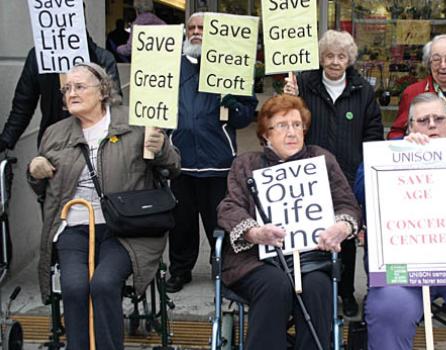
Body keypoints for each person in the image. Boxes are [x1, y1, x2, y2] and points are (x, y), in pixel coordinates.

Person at [27, 63, 180, 349]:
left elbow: (172, 168)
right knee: (74, 287)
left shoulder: (134, 123)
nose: (71, 93)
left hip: (125, 228)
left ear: (103, 91)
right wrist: (35, 171)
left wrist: (161, 149)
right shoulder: (54, 133)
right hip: (74, 226)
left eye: (79, 87)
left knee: (103, 284)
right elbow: (43, 187)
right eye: (67, 89)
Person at [355, 93, 446, 350]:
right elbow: (363, 190)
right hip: (406, 258)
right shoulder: (389, 153)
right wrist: (401, 154)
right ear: (410, 126)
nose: (432, 125)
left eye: (439, 119)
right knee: (388, 309)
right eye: (423, 120)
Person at [217, 94, 361, 349]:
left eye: (297, 125)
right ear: (266, 134)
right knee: (276, 284)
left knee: (317, 287)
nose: (292, 132)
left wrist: (342, 226)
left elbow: (347, 204)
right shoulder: (246, 164)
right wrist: (254, 232)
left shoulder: (321, 159)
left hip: (311, 258)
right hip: (256, 259)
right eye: (282, 126)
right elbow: (229, 207)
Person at [284, 29, 383, 316]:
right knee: (311, 234)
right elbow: (288, 122)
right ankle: (317, 291)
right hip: (309, 173)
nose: (335, 62)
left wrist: (367, 172)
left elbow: (373, 133)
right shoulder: (303, 83)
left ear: (350, 59)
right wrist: (290, 98)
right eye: (329, 55)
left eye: (341, 56)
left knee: (345, 236)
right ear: (321, 57)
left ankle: (346, 292)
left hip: (348, 176)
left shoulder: (363, 90)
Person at [165, 12, 258, 293]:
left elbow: (245, 117)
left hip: (218, 161)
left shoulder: (231, 67)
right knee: (180, 223)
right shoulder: (170, 66)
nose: (195, 32)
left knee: (218, 221)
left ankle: (224, 269)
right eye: (191, 28)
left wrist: (233, 105)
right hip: (179, 160)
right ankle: (180, 270)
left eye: (201, 28)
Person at [0, 34, 121, 151]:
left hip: (94, 144)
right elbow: (23, 104)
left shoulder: (101, 57)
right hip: (53, 146)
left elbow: (114, 106)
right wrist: (6, 140)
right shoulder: (38, 57)